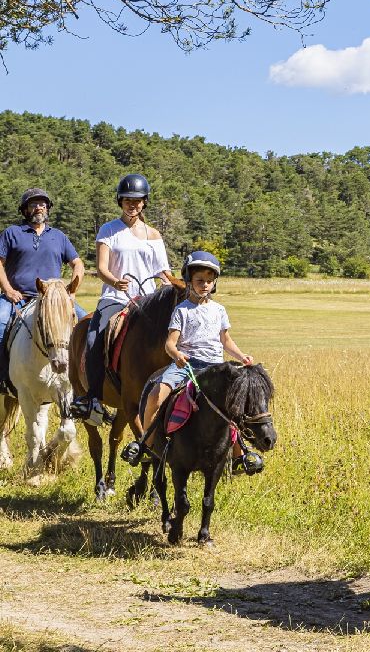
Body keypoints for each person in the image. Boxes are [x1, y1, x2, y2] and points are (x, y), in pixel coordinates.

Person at [121, 250, 261, 475]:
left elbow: (225, 340)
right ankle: (146, 444)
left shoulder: (219, 310)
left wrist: (241, 356)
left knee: (236, 403)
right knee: (155, 396)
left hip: (215, 366)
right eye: (199, 281)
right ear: (189, 282)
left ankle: (239, 455)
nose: (204, 285)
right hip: (186, 365)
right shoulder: (181, 310)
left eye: (208, 281)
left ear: (214, 283)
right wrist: (177, 355)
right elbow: (170, 343)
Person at [70, 174, 171, 426]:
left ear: (144, 202)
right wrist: (115, 281)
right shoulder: (109, 230)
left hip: (147, 301)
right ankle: (91, 396)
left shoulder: (154, 235)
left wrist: (176, 288)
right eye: (127, 200)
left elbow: (164, 273)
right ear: (120, 201)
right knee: (95, 334)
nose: (132, 204)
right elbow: (101, 268)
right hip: (115, 297)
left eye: (137, 200)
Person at [0, 187, 86, 390]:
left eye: (43, 204)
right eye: (33, 204)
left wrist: (71, 290)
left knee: (87, 325)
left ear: (48, 208)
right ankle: (3, 377)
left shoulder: (58, 236)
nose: (39, 207)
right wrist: (8, 290)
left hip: (53, 300)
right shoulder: (12, 233)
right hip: (18, 297)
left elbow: (78, 264)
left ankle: (86, 386)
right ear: (25, 210)